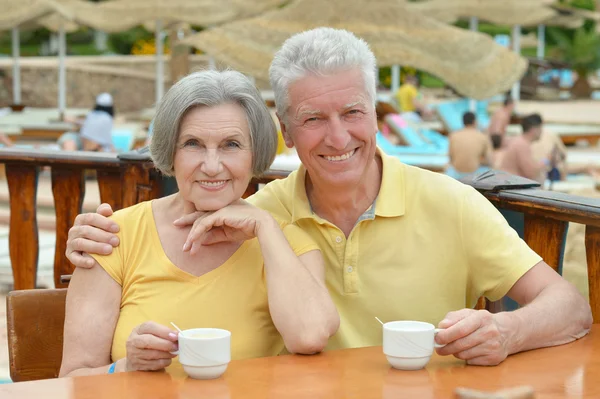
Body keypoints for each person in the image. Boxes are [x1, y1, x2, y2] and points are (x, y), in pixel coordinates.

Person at [65, 28, 591, 367]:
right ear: (287, 135)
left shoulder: (450, 204)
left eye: (353, 113)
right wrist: (91, 238)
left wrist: (506, 329)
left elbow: (570, 308)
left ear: (378, 119)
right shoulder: (262, 213)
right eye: (314, 119)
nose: (338, 138)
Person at [59, 70, 339, 378]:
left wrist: (264, 227)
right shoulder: (112, 236)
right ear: (171, 152)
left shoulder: (286, 242)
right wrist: (126, 366)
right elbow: (72, 380)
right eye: (192, 144)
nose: (211, 165)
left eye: (231, 144)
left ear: (255, 153)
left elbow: (310, 336)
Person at [498, 114, 558, 182]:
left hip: (509, 183)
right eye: (540, 128)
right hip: (510, 186)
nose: (542, 131)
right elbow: (531, 173)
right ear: (534, 129)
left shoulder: (519, 141)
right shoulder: (522, 144)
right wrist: (545, 161)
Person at [446, 111, 492, 179]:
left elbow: (451, 158)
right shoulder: (483, 137)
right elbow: (489, 160)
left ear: (463, 122)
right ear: (475, 122)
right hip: (474, 174)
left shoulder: (453, 135)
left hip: (456, 174)